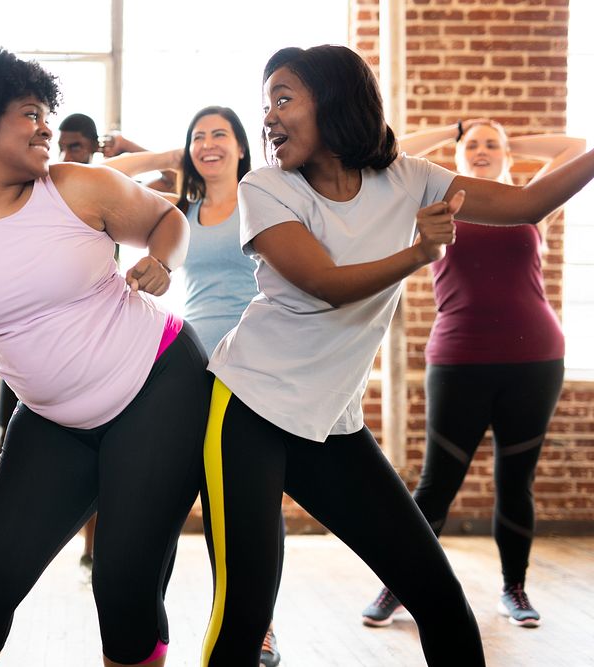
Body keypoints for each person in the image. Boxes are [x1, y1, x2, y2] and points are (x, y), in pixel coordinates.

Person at [199, 44, 594, 667]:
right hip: (248, 410)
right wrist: (418, 253)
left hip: (332, 425)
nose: (269, 118)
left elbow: (526, 206)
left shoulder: (410, 178)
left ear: (333, 102)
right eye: (266, 103)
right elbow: (325, 284)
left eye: (283, 99)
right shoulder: (265, 187)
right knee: (247, 611)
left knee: (438, 597)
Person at [0, 48, 210, 666]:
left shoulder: (75, 187)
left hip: (159, 388)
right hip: (50, 419)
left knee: (121, 584)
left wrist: (161, 261)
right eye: (32, 114)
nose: (47, 128)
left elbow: (168, 219)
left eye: (48, 114)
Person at [360, 120, 585, 629]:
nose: (481, 150)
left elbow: (575, 148)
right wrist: (452, 133)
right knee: (436, 484)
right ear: (456, 157)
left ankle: (515, 589)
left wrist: (505, 139)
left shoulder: (529, 204)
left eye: (492, 146)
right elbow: (387, 158)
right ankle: (399, 585)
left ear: (507, 156)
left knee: (515, 480)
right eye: (472, 146)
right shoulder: (436, 203)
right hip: (458, 359)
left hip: (537, 359)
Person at [105, 106, 282, 667]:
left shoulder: (266, 196)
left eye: (220, 135)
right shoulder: (180, 206)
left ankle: (256, 628)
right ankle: (146, 629)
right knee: (165, 499)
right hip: (188, 367)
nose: (208, 144)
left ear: (241, 147)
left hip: (251, 369)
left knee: (241, 507)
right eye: (198, 137)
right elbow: (111, 176)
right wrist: (167, 158)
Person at [0, 110, 105, 571]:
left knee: (97, 453)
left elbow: (172, 185)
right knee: (7, 444)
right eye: (64, 146)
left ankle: (92, 548)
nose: (66, 153)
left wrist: (126, 150)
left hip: (83, 349)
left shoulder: (100, 190)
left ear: (94, 147)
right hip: (27, 346)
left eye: (77, 146)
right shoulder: (43, 189)